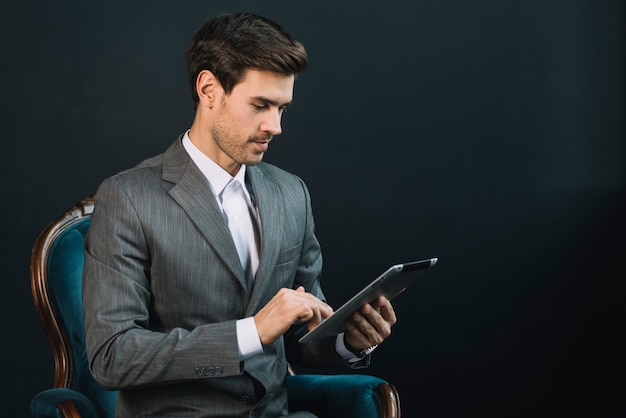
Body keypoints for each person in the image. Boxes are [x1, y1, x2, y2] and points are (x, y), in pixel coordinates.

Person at [83, 12, 397, 417]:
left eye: (282, 108)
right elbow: (113, 356)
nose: (275, 125)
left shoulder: (291, 194)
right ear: (209, 89)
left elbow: (304, 334)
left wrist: (348, 341)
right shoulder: (128, 197)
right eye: (261, 105)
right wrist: (251, 333)